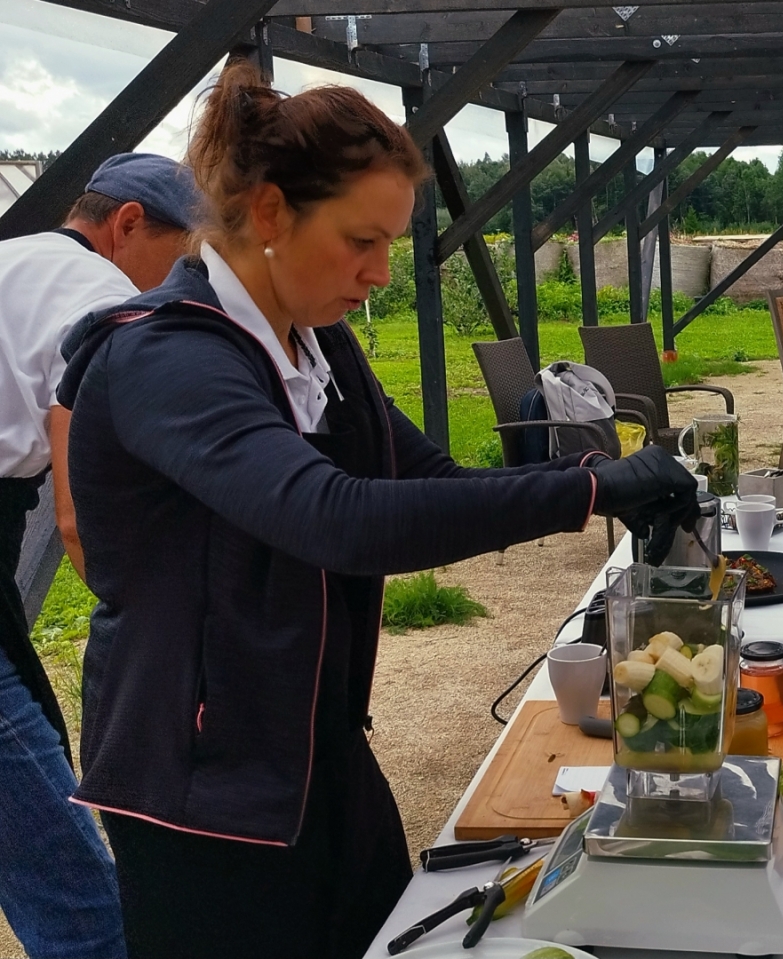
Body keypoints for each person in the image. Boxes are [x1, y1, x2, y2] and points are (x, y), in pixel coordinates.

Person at [55, 61, 697, 959]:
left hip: (318, 752)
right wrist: (590, 490)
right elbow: (334, 518)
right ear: (271, 212)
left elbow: (424, 481)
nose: (380, 272)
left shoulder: (317, 348)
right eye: (362, 240)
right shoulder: (165, 360)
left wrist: (598, 472)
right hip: (200, 791)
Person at [0, 152, 199, 959]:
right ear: (125, 226)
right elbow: (84, 517)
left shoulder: (14, 257)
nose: (175, 286)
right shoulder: (102, 293)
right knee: (78, 896)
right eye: (181, 259)